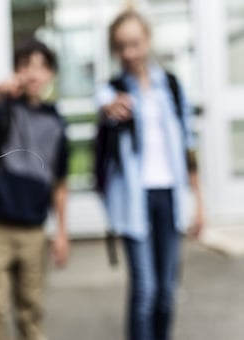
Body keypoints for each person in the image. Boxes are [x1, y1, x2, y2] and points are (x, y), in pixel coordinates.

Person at [96, 9, 204, 340]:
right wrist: (109, 106)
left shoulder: (171, 86)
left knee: (167, 291)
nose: (129, 53)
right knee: (146, 290)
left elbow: (189, 148)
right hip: (133, 199)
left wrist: (199, 205)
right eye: (121, 46)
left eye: (135, 44)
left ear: (148, 41)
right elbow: (102, 102)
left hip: (169, 196)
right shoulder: (113, 89)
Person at [0, 39, 69, 340]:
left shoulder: (56, 122)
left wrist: (62, 232)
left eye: (41, 66)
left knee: (31, 309)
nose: (33, 74)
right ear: (16, 71)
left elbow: (60, 181)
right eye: (26, 66)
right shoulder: (2, 108)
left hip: (34, 230)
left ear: (51, 73)